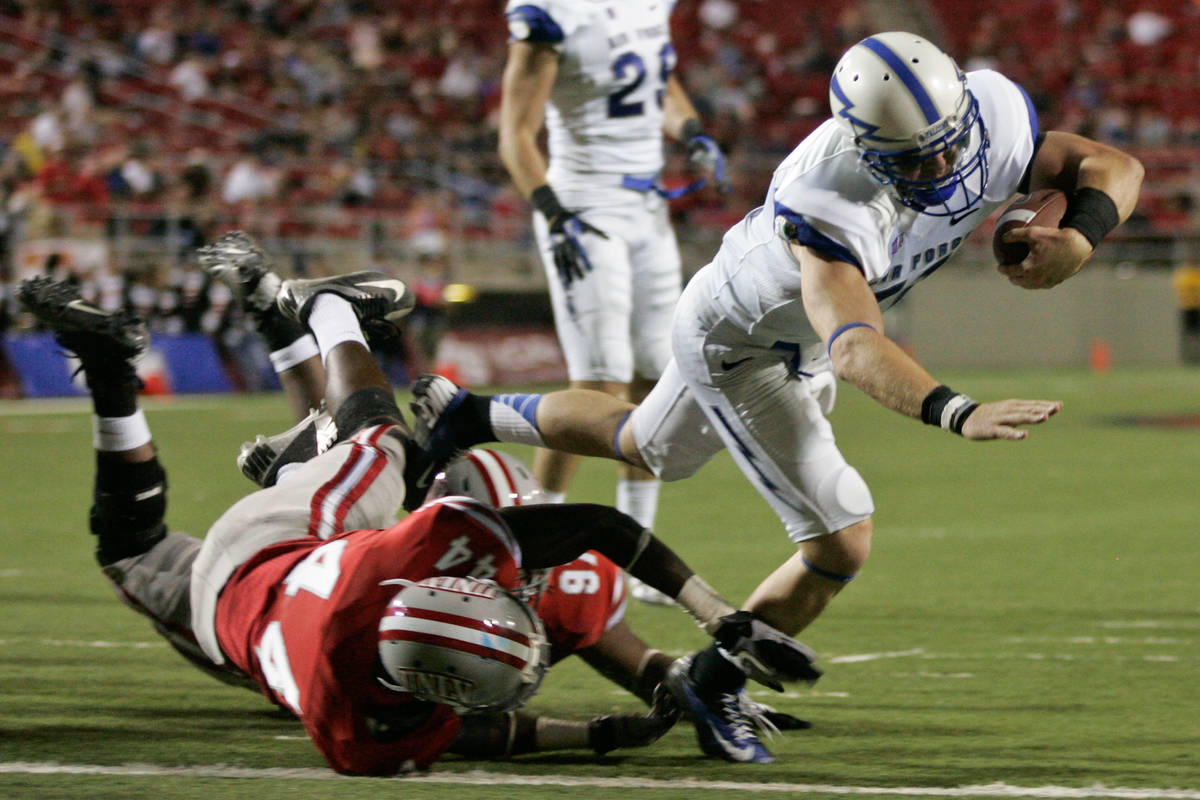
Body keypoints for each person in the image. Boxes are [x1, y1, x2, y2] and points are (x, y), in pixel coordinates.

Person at [406, 31, 1145, 763]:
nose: (946, 164)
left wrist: (1082, 233)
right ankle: (713, 681)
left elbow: (1111, 165)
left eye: (950, 142)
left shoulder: (988, 115)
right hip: (748, 343)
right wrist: (957, 410)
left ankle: (468, 414)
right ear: (866, 148)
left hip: (785, 328)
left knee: (645, 446)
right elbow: (855, 347)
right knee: (840, 535)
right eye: (918, 158)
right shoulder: (833, 198)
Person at [18, 272, 817, 773]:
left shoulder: (436, 565)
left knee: (366, 453)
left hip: (291, 568)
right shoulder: (360, 722)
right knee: (364, 453)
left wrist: (712, 634)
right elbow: (468, 731)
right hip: (241, 612)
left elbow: (598, 541)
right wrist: (627, 715)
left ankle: (195, 377)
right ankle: (320, 322)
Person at [197, 231, 808, 759]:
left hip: (277, 590)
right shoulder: (410, 557)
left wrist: (702, 684)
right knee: (377, 449)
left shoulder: (538, 575)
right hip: (284, 582)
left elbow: (637, 655)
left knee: (367, 455)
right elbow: (435, 724)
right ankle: (311, 386)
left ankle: (302, 413)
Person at [497, 0, 729, 605]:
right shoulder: (551, 13)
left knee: (658, 375)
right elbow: (515, 133)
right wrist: (551, 213)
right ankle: (525, 548)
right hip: (583, 206)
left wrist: (691, 130)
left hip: (647, 208)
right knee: (597, 382)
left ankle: (638, 550)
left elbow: (658, 77)